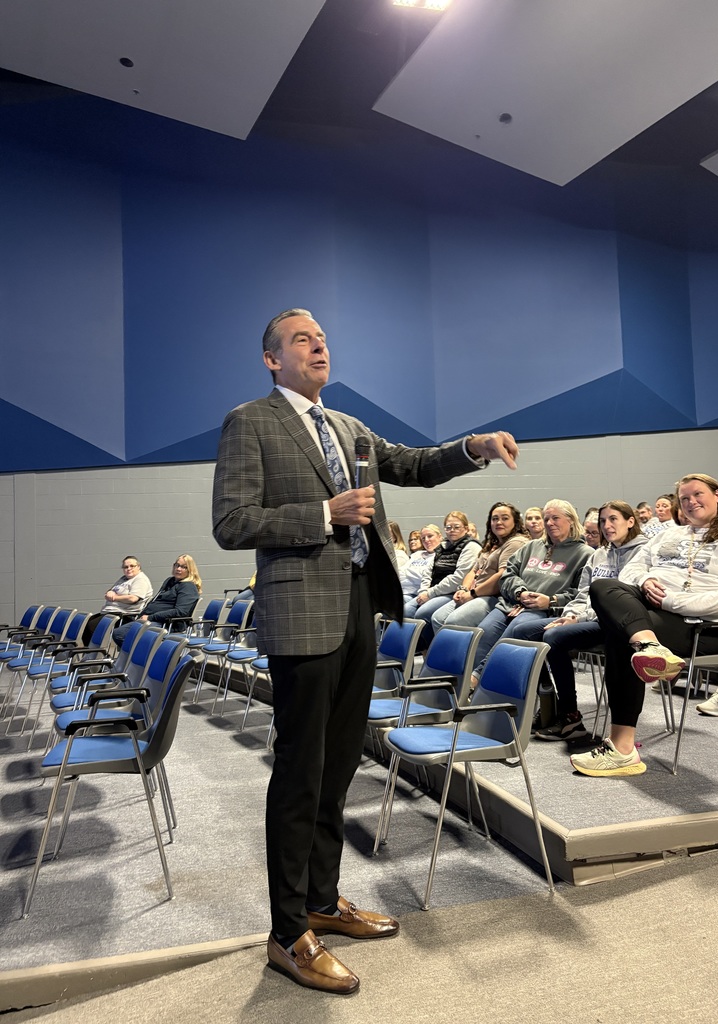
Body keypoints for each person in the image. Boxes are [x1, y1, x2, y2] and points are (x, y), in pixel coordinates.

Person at [211, 307, 519, 995]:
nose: (318, 346)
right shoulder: (250, 422)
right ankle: (288, 932)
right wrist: (325, 514)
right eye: (302, 339)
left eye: (322, 338)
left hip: (359, 605)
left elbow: (411, 464)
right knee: (301, 769)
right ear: (271, 358)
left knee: (341, 761)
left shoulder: (347, 426)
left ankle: (323, 900)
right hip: (301, 611)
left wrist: (472, 447)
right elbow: (231, 522)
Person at [570, 474, 718, 778]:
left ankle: (622, 748)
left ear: (717, 495)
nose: (690, 502)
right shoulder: (668, 535)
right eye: (684, 498)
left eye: (697, 494)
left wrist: (671, 601)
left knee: (621, 635)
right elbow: (632, 569)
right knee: (603, 587)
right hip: (654, 616)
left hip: (708, 629)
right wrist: (646, 579)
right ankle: (649, 646)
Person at [532, 500, 647, 742]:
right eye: (603, 521)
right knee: (528, 632)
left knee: (553, 637)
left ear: (630, 521)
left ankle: (569, 716)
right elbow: (583, 593)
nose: (606, 526)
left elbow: (622, 601)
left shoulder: (643, 552)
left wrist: (579, 619)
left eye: (613, 519)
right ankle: (552, 708)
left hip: (620, 625)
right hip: (590, 620)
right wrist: (570, 615)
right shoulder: (599, 554)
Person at [471, 499, 592, 679]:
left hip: (544, 610)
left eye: (555, 518)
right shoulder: (531, 547)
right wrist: (520, 592)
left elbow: (581, 593)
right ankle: (484, 687)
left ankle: (479, 678)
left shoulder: (585, 554)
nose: (549, 523)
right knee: (484, 631)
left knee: (516, 632)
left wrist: (551, 601)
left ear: (571, 521)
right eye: (546, 519)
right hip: (512, 604)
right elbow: (508, 575)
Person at [431, 501, 528, 630]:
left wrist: (473, 594)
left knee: (453, 622)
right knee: (438, 618)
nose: (499, 522)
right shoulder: (492, 544)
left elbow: (502, 576)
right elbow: (473, 571)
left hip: (493, 596)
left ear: (515, 521)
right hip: (474, 592)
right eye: (495, 519)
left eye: (505, 518)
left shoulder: (516, 543)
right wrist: (463, 589)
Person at [402, 511, 481, 639]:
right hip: (433, 591)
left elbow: (458, 578)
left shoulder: (471, 546)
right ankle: (419, 649)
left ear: (466, 529)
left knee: (423, 613)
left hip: (451, 592)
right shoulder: (442, 546)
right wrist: (423, 591)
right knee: (405, 612)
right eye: (448, 527)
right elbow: (428, 572)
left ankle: (433, 648)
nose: (452, 530)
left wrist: (430, 593)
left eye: (456, 527)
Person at [112, 555, 201, 648]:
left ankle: (143, 655)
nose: (178, 569)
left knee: (122, 634)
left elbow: (181, 611)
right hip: (152, 619)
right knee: (118, 633)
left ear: (190, 570)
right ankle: (139, 655)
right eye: (177, 565)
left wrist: (150, 617)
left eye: (183, 567)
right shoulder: (170, 581)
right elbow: (156, 601)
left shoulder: (188, 587)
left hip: (168, 623)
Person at [81, 556, 153, 644]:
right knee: (87, 622)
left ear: (138, 567)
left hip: (125, 614)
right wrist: (110, 592)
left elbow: (133, 598)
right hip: (110, 611)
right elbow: (111, 591)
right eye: (125, 567)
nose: (129, 569)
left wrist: (114, 597)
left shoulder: (140, 580)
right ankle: (87, 649)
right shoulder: (124, 579)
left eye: (132, 566)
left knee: (92, 626)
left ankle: (94, 649)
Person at [401, 523, 442, 599]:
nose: (426, 540)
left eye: (430, 536)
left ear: (439, 537)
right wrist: (416, 574)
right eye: (423, 538)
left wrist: (409, 572)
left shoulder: (441, 556)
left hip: (418, 594)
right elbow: (400, 573)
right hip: (402, 591)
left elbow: (426, 578)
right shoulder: (417, 554)